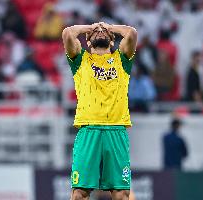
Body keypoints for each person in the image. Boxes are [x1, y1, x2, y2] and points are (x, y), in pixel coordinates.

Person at [62, 22, 137, 200]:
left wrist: (108, 27)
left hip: (116, 130)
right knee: (79, 194)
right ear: (87, 41)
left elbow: (132, 34)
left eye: (105, 33)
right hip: (89, 130)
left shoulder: (122, 59)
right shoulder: (80, 60)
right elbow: (67, 34)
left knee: (121, 194)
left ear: (112, 41)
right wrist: (92, 27)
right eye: (95, 33)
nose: (100, 32)